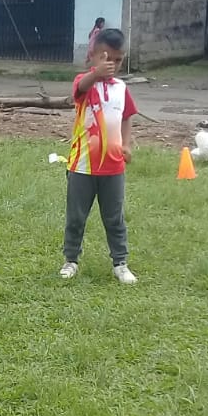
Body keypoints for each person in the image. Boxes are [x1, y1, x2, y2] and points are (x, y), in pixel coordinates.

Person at [59, 27, 139, 284]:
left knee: (115, 218)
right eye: (105, 58)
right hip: (82, 166)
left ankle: (120, 263)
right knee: (76, 217)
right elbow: (80, 88)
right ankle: (71, 260)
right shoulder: (84, 83)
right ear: (92, 56)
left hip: (113, 168)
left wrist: (126, 144)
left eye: (117, 60)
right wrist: (95, 74)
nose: (111, 64)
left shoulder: (121, 88)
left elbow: (126, 116)